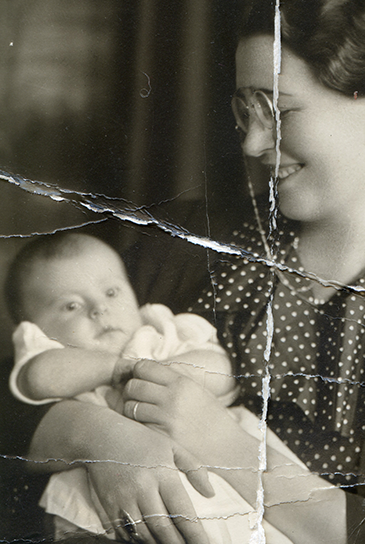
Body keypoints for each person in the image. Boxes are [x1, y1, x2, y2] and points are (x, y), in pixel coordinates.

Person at [24, 0, 365, 544]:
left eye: (279, 112)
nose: (254, 144)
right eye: (244, 112)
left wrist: (226, 445)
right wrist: (98, 438)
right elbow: (26, 379)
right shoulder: (187, 236)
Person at [5, 232, 302, 543]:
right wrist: (115, 368)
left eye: (111, 292)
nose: (98, 309)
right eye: (71, 306)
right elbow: (39, 378)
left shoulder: (161, 329)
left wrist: (166, 374)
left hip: (218, 477)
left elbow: (223, 370)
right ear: (34, 330)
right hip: (109, 499)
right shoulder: (54, 357)